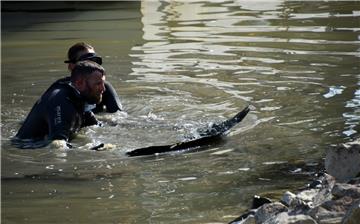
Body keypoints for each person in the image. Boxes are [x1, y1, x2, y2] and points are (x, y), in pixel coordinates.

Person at [12, 61, 106, 148]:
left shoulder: (78, 95)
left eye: (103, 83)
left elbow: (94, 125)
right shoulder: (62, 100)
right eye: (98, 84)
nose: (103, 89)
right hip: (26, 149)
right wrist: (90, 149)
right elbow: (57, 145)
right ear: (79, 83)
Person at [62, 42, 123, 113]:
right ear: (71, 67)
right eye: (86, 62)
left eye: (95, 61)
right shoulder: (62, 92)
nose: (92, 66)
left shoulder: (102, 87)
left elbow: (119, 116)